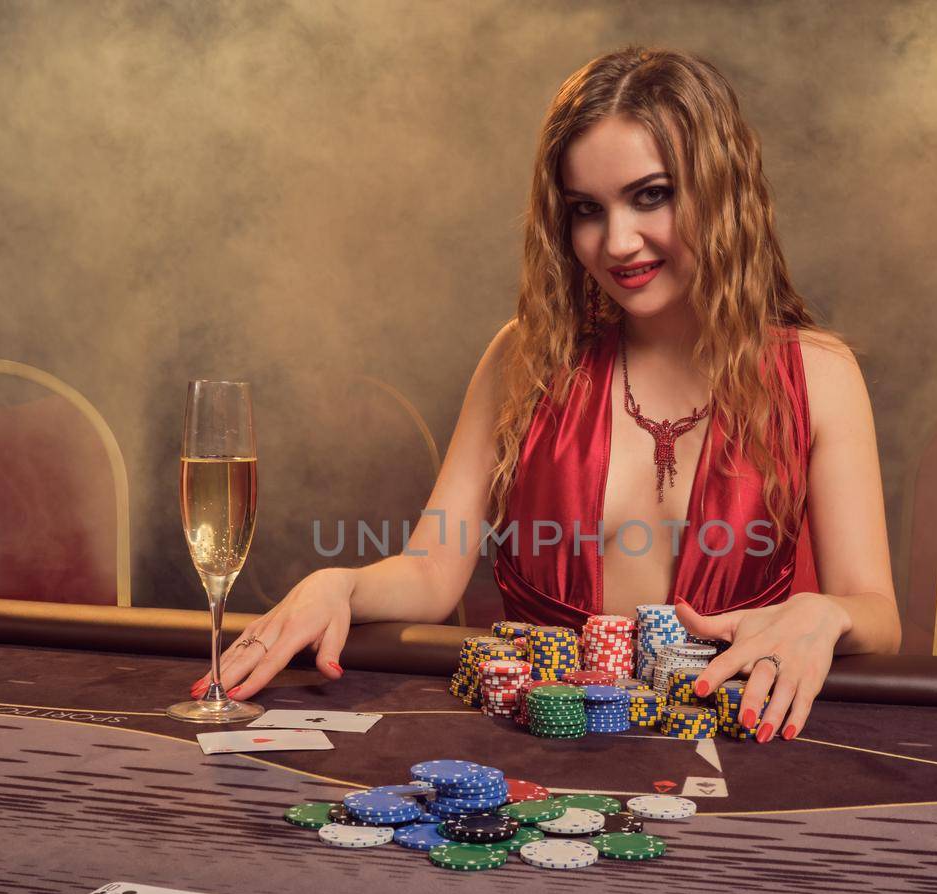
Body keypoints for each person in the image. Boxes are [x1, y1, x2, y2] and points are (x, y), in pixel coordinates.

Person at [194, 46, 900, 742]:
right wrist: (341, 583)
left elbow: (878, 616)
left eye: (651, 196)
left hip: (737, 751)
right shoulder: (525, 358)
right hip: (536, 757)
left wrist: (824, 612)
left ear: (720, 188)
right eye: (587, 209)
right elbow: (432, 569)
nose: (618, 242)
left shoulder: (819, 373)